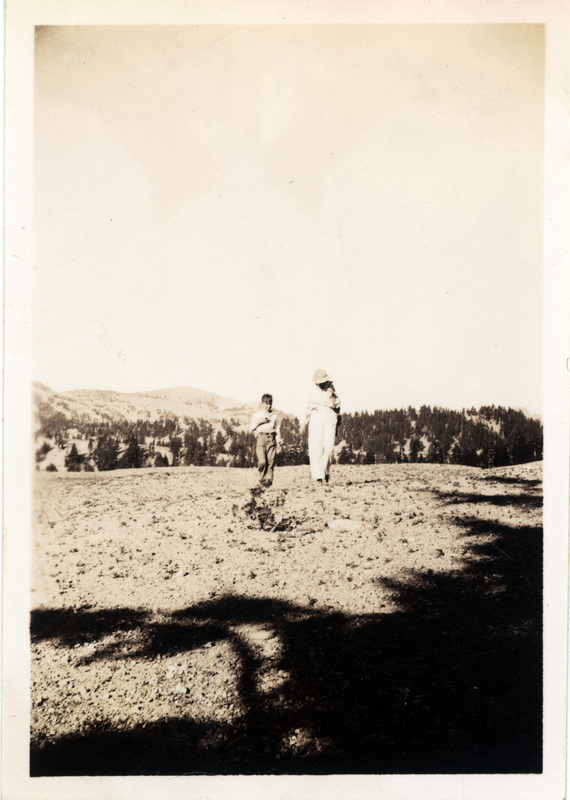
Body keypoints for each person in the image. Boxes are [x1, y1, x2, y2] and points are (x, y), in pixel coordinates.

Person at [306, 369, 341, 484]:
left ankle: (325, 472)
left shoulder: (331, 387)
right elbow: (308, 406)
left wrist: (333, 400)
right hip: (316, 416)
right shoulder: (311, 389)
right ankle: (318, 476)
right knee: (316, 447)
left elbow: (338, 404)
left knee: (329, 448)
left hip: (329, 416)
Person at [249, 393, 281, 487]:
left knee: (270, 462)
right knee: (262, 461)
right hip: (261, 439)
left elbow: (277, 430)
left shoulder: (274, 415)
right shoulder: (258, 414)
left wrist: (279, 442)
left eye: (270, 403)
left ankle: (268, 483)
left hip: (271, 438)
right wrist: (260, 422)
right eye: (266, 403)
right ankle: (261, 479)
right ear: (262, 403)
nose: (268, 405)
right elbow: (251, 428)